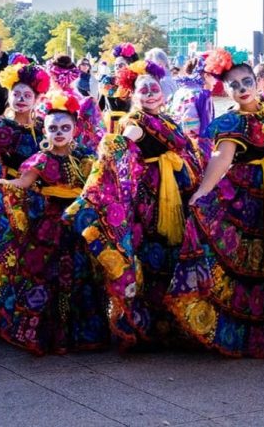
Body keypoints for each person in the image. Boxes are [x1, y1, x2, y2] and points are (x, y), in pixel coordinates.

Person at [165, 49, 264, 358]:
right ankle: (242, 337)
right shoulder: (231, 123)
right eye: (234, 85)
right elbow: (221, 159)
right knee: (251, 261)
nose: (242, 89)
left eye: (247, 81)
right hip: (247, 193)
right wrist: (201, 192)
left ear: (258, 82)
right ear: (224, 90)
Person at [0, 91, 110, 354]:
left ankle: (79, 333)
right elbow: (23, 183)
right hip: (51, 223)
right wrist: (2, 184)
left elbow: (97, 185)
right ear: (45, 131)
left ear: (75, 128)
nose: (58, 133)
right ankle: (47, 333)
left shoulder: (87, 155)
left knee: (82, 274)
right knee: (47, 274)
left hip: (79, 221)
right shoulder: (41, 158)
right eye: (52, 128)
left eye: (64, 127)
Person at [67, 59, 201, 348]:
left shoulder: (167, 120)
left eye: (154, 89)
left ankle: (172, 321)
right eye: (144, 90)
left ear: (163, 93)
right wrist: (112, 149)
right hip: (151, 198)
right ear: (133, 95)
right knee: (153, 252)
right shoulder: (135, 122)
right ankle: (147, 325)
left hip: (178, 193)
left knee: (173, 254)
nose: (150, 94)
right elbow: (121, 147)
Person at [45, 54, 104, 150]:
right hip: (79, 147)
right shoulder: (81, 99)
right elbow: (96, 130)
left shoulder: (47, 99)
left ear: (52, 76)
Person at [99, 43, 138, 134]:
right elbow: (100, 106)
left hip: (128, 126)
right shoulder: (107, 82)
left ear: (129, 65)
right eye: (115, 65)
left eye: (120, 65)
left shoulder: (135, 83)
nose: (117, 67)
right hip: (109, 126)